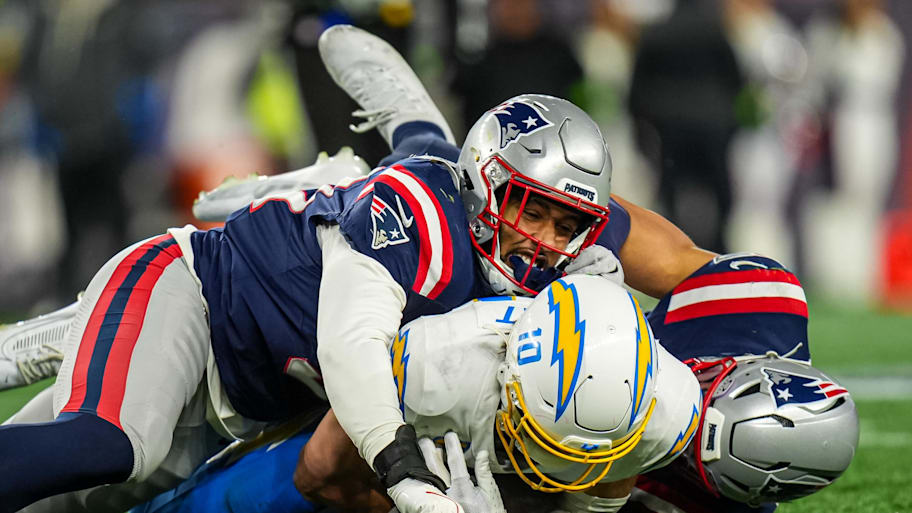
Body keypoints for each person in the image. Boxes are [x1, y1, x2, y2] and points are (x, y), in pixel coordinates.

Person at [0, 23, 714, 513]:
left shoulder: (558, 276)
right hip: (193, 302)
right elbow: (350, 343)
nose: (546, 242)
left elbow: (419, 131)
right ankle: (77, 335)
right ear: (485, 184)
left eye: (567, 225)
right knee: (105, 445)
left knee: (62, 500)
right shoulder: (421, 213)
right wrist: (403, 472)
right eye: (533, 211)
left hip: (241, 406)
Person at [117, 254, 855, 513]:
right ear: (745, 363)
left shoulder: (673, 473)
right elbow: (627, 230)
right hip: (515, 340)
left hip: (533, 471)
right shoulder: (756, 301)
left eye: (695, 459)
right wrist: (578, 251)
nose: (684, 437)